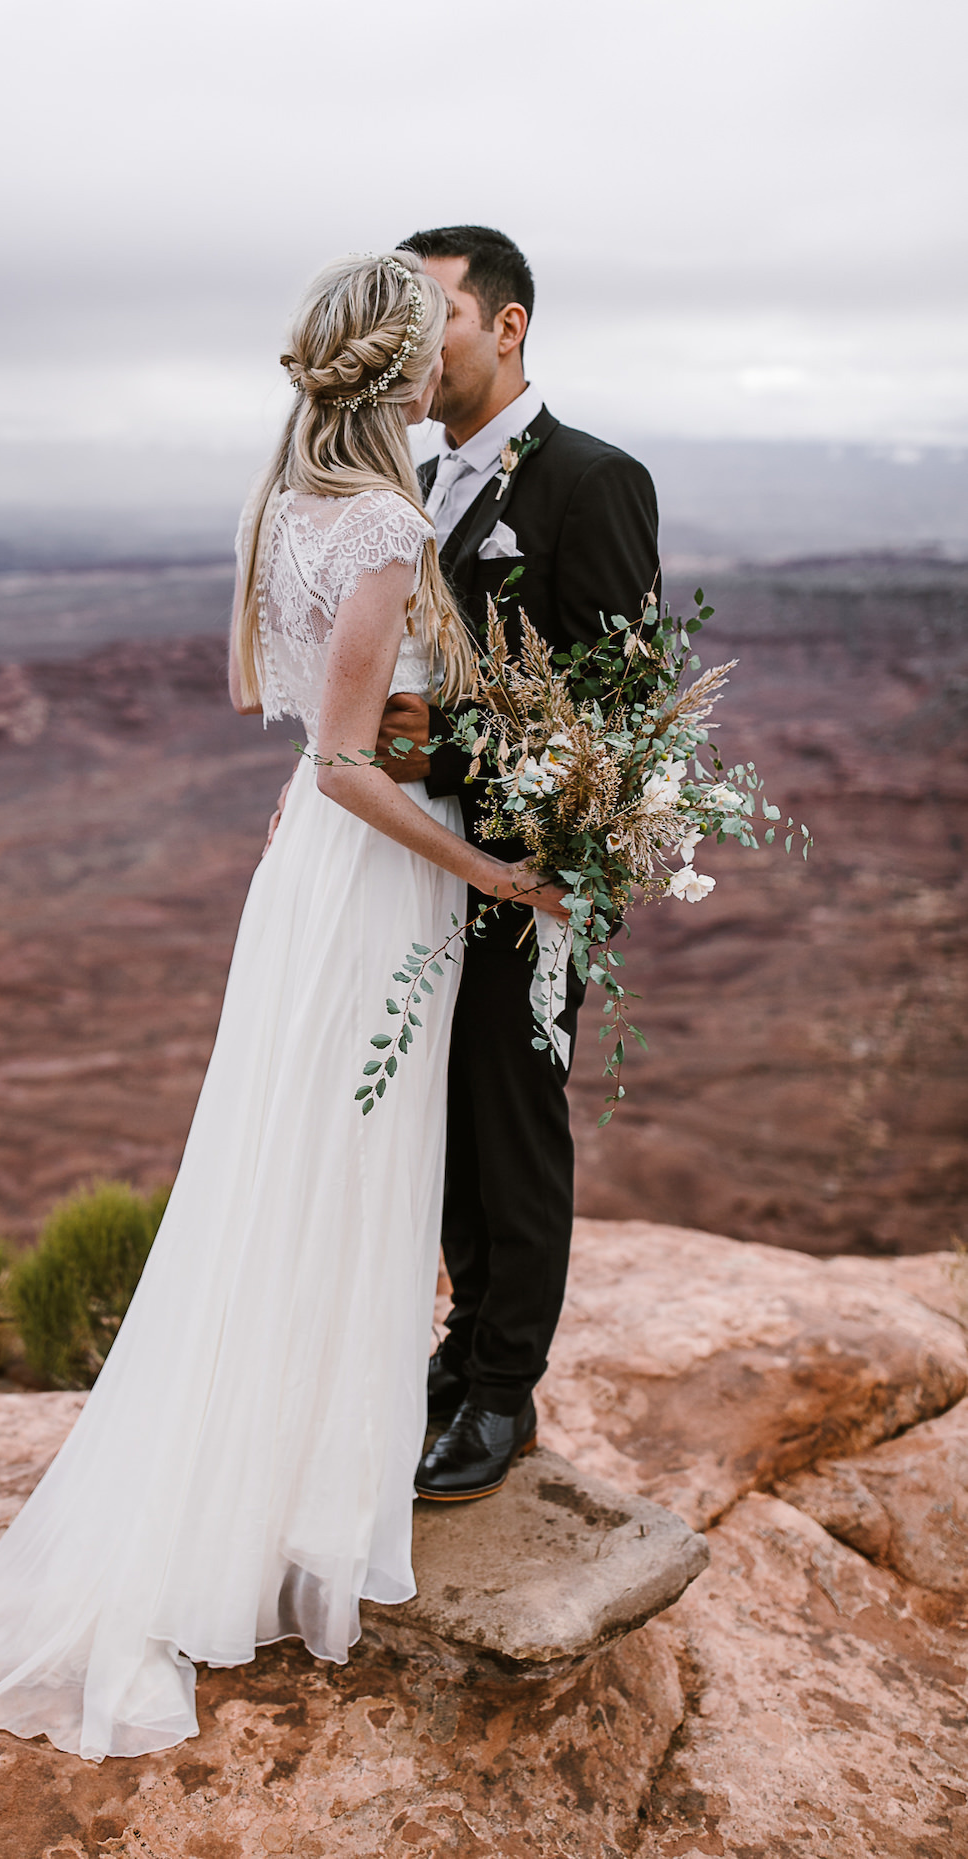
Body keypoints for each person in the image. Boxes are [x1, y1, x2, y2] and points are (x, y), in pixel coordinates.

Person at [0, 251, 569, 1761]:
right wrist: (494, 870)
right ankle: (285, 1509)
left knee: (285, 1175)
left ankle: (265, 1486)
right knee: (341, 1180)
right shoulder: (390, 518)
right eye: (424, 349)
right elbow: (345, 755)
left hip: (315, 874)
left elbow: (291, 723)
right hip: (375, 878)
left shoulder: (283, 507)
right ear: (398, 370)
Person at [371, 225, 662, 1500]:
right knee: (438, 1120)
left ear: (506, 324)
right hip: (428, 860)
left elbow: (620, 713)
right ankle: (460, 1342)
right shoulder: (420, 484)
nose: (407, 345)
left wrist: (452, 745)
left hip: (529, 868)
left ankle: (504, 1394)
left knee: (513, 1125)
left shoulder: (590, 480)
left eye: (428, 313)